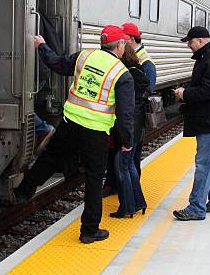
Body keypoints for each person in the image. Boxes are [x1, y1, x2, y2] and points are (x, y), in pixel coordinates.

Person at [14, 25, 135, 244]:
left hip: (70, 123)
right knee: (94, 178)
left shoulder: (84, 56)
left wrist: (42, 46)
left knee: (51, 157)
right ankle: (89, 230)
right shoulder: (121, 74)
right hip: (96, 132)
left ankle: (23, 191)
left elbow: (57, 64)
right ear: (120, 45)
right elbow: (125, 114)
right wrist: (126, 141)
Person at [172, 26, 210, 221]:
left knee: (204, 164)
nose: (189, 46)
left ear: (200, 40)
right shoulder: (209, 57)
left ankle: (196, 208)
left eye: (190, 42)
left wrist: (185, 94)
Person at [103, 22, 156, 197]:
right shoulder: (125, 59)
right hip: (122, 118)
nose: (121, 42)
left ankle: (130, 194)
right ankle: (116, 186)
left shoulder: (146, 63)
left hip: (132, 118)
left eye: (123, 39)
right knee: (116, 154)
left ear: (130, 39)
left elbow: (147, 91)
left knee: (131, 158)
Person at [110, 43, 149, 218]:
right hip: (138, 126)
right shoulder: (140, 72)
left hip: (128, 128)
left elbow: (125, 109)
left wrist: (124, 136)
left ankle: (126, 207)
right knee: (130, 165)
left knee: (122, 167)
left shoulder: (125, 76)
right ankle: (139, 202)